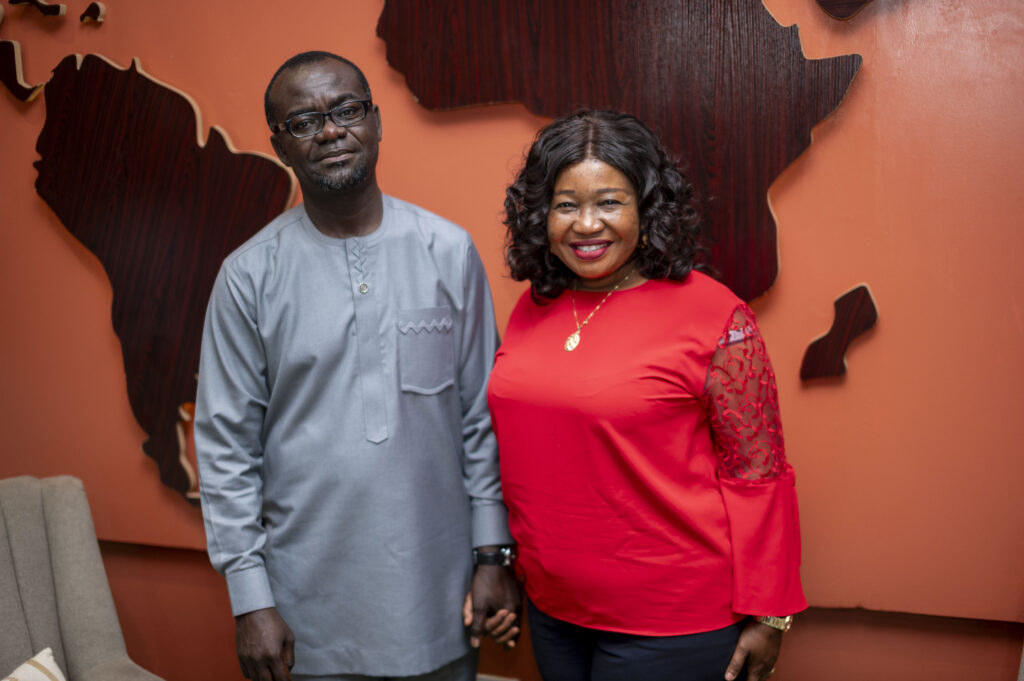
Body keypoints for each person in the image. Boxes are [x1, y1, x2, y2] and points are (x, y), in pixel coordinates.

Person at [194, 51, 520, 681]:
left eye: (346, 110)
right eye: (303, 122)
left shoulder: (447, 251)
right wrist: (249, 599)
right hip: (304, 612)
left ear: (375, 121)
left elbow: (481, 418)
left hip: (441, 595)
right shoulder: (248, 277)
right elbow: (226, 449)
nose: (330, 131)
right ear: (280, 147)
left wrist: (492, 555)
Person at [487, 110, 807, 681]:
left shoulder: (716, 315)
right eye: (566, 205)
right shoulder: (534, 306)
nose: (587, 224)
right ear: (541, 214)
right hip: (554, 609)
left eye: (610, 202)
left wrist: (771, 613)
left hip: (671, 622)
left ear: (647, 207)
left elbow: (758, 472)